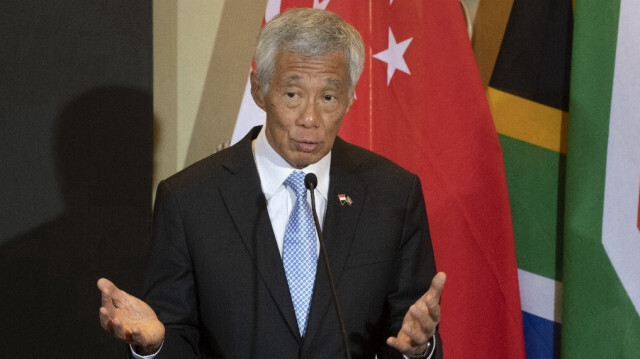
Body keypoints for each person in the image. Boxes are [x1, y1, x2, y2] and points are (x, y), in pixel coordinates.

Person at [98, 8, 446, 358]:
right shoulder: (189, 200)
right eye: (292, 95)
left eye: (328, 98)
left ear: (351, 98)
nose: (310, 119)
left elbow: (409, 331)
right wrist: (156, 345)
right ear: (259, 90)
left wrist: (419, 349)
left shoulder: (392, 195)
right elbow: (175, 332)